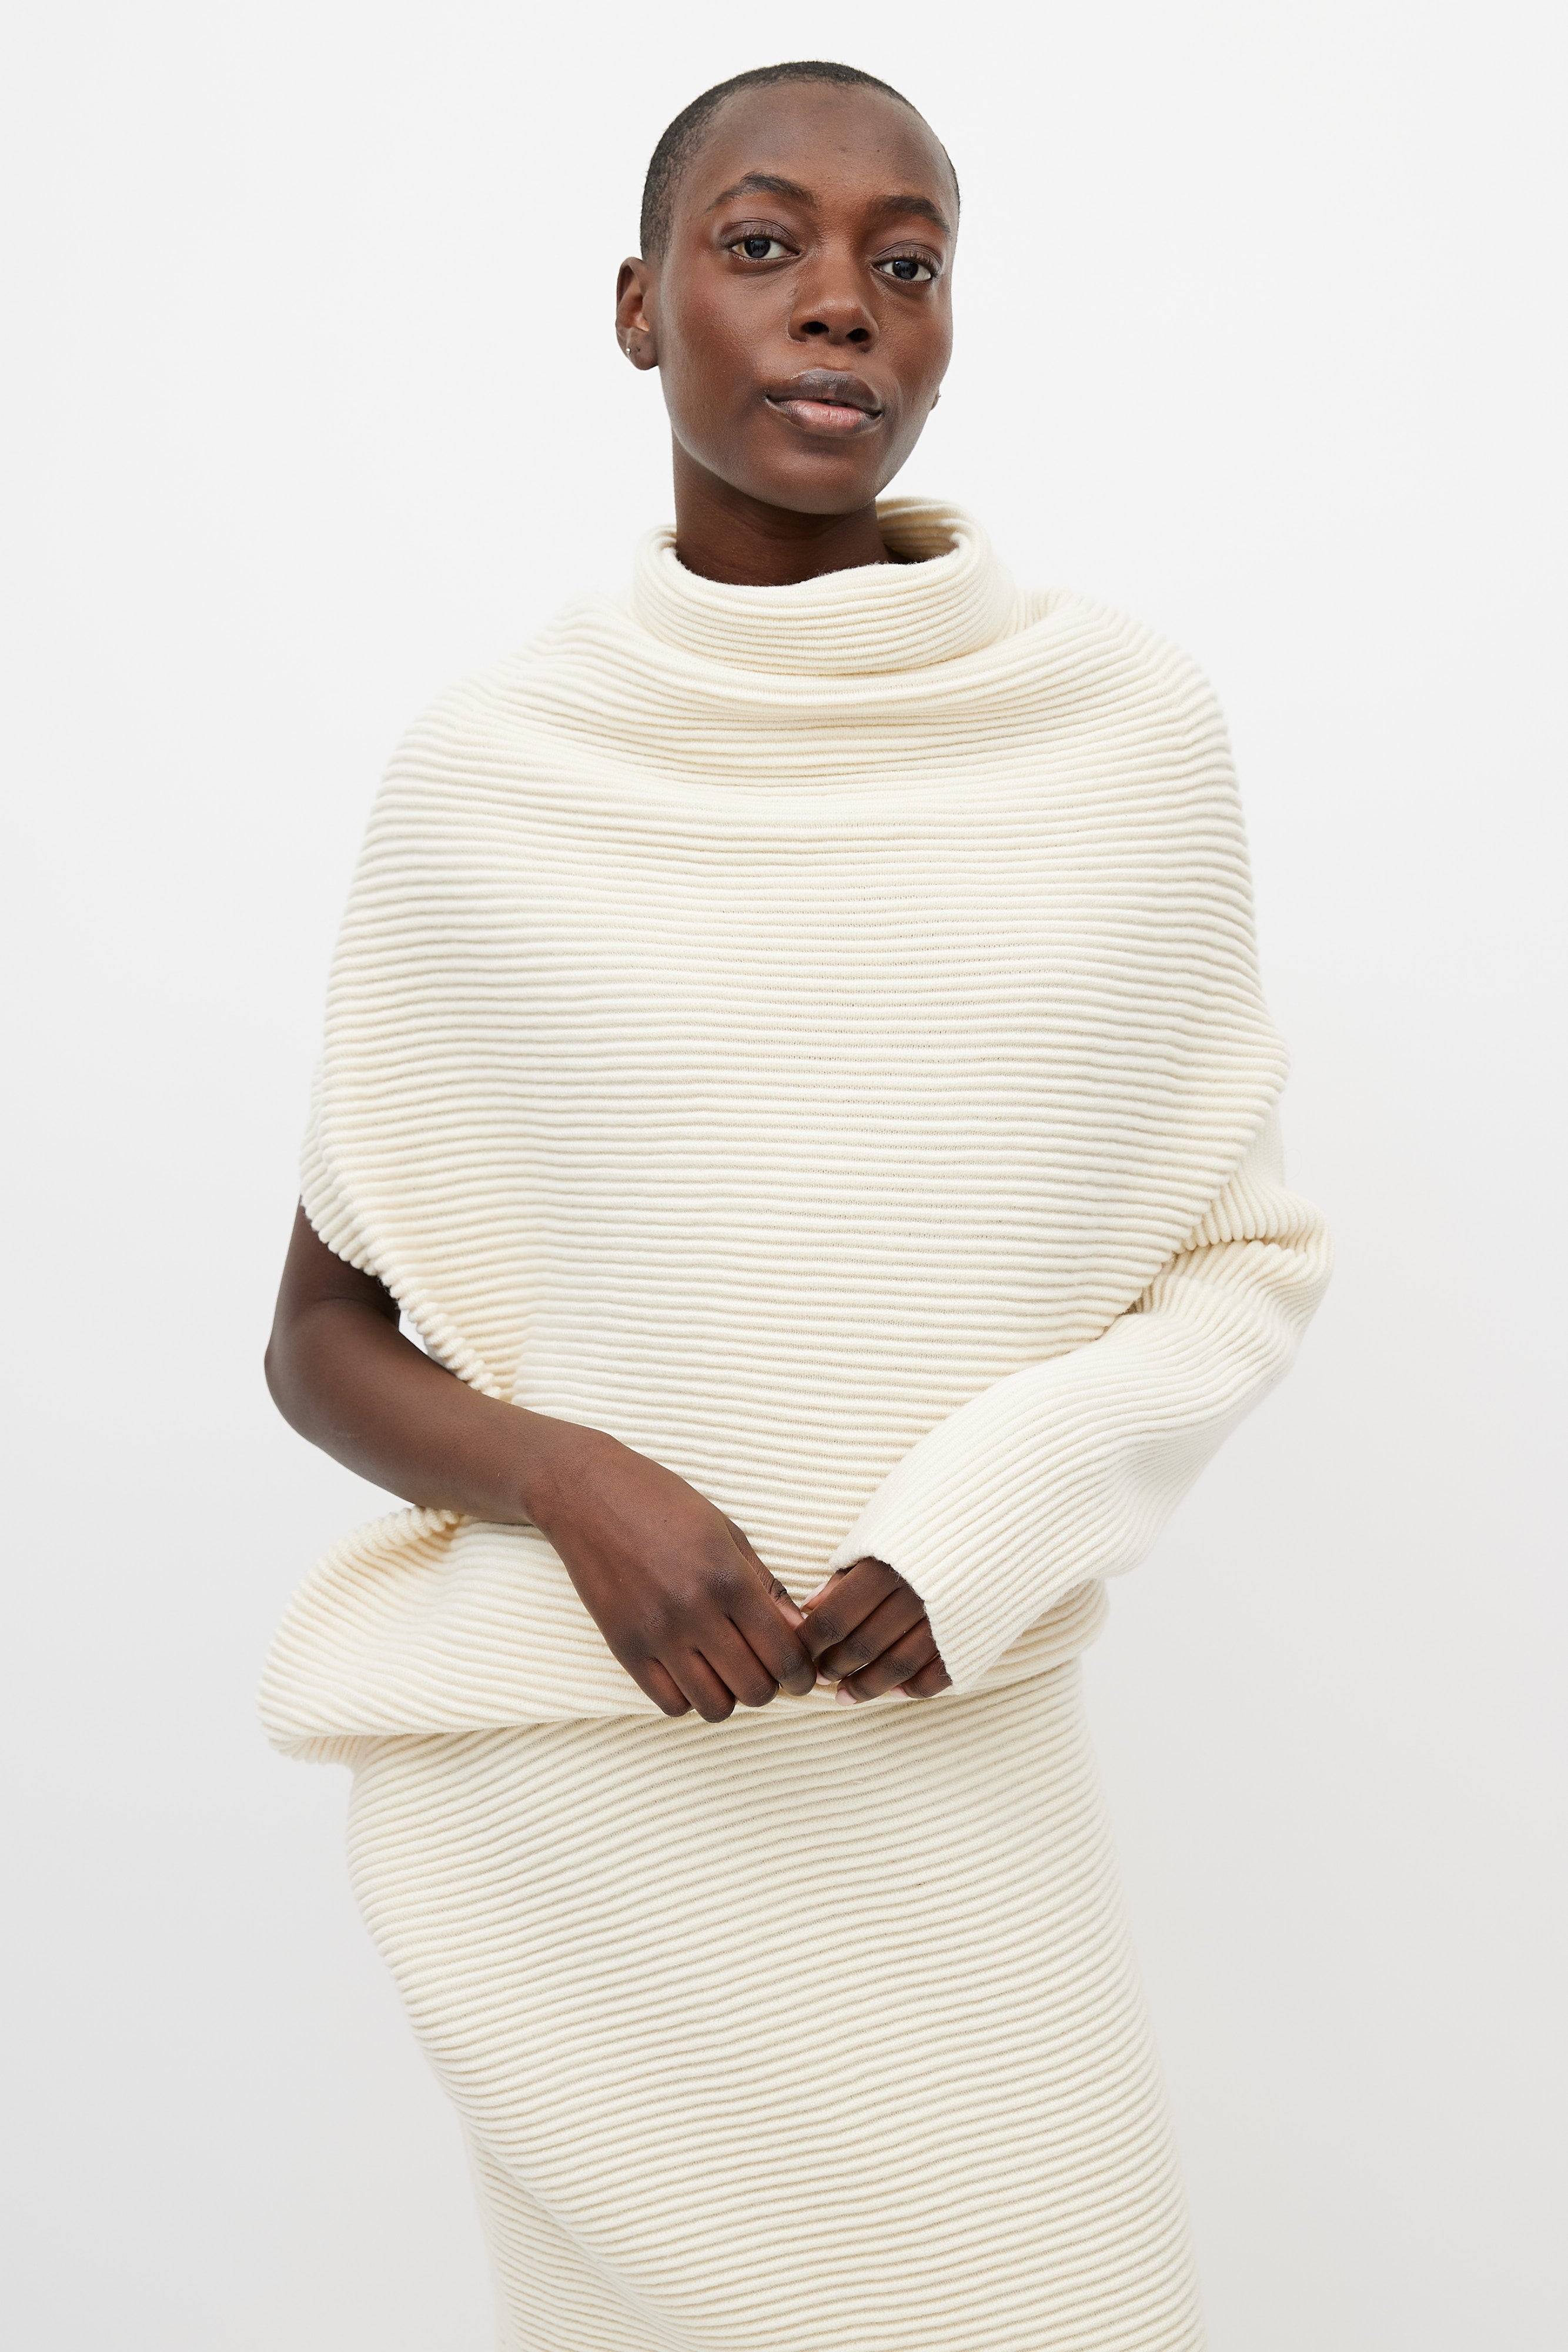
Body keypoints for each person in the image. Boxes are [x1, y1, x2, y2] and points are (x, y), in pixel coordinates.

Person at [263, 58, 1331, 2351]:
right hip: (586, 1799)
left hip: (951, 1754)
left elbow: (1238, 1261)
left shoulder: (1118, 731)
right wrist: (579, 1486)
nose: (841, 303)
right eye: (764, 245)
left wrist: (999, 1505)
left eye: (903, 264)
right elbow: (322, 1337)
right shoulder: (491, 772)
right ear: (638, 307)